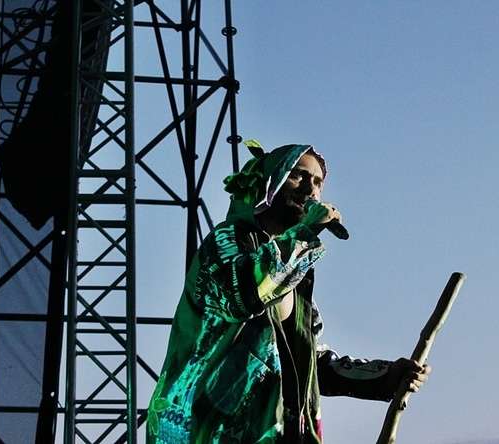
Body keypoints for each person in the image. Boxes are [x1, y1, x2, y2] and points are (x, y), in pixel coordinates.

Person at [147, 142, 430, 443]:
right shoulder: (227, 241)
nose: (310, 189)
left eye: (318, 182)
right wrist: (305, 234)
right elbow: (242, 293)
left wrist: (385, 376)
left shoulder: (294, 272)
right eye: (298, 176)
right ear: (270, 183)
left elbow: (309, 362)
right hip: (208, 430)